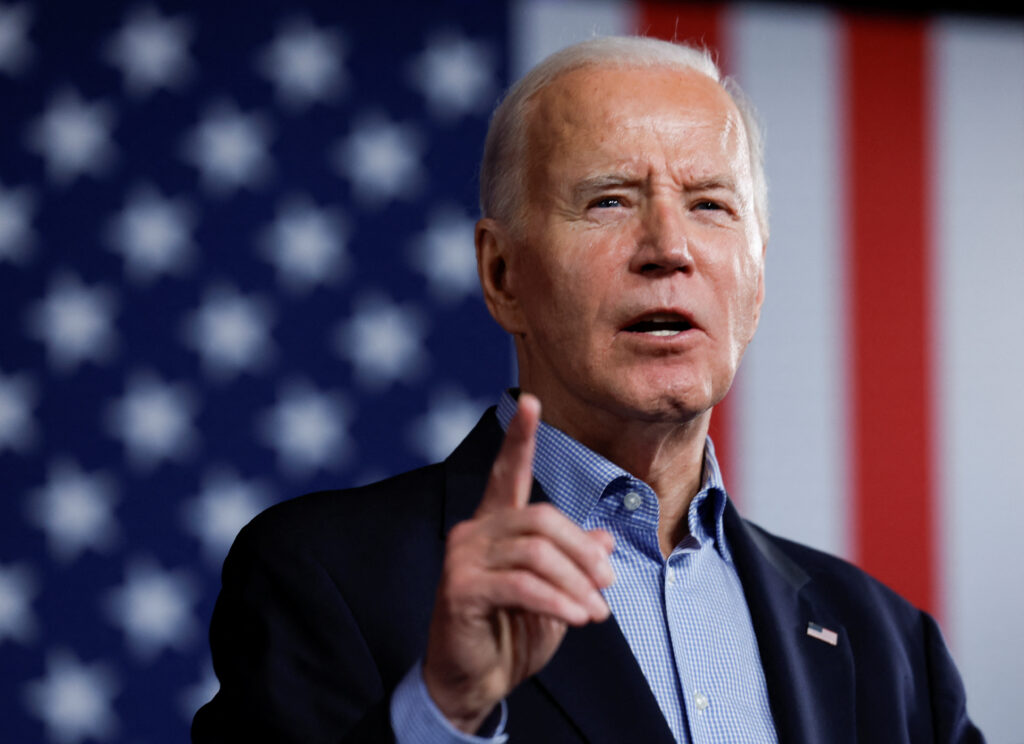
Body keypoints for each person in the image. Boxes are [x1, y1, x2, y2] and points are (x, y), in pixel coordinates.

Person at [192, 36, 983, 743]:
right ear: (503, 275)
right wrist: (443, 715)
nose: (669, 248)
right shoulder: (324, 576)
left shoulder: (888, 642)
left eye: (710, 205)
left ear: (756, 278)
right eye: (608, 200)